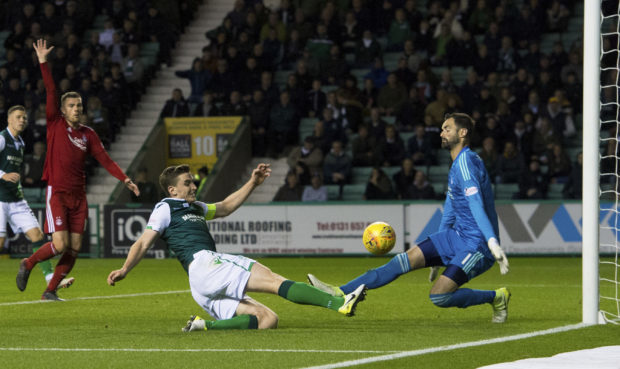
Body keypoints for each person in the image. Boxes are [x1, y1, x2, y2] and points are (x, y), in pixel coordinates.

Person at [107, 164, 366, 331]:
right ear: (173, 189)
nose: (194, 186)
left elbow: (226, 206)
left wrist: (253, 182)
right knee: (274, 280)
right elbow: (143, 241)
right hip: (205, 264)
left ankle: (203, 326)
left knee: (268, 321)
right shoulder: (166, 206)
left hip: (200, 284)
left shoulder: (195, 207)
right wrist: (125, 268)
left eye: (193, 181)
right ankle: (339, 302)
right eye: (188, 183)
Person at [308, 113, 512, 323]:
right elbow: (450, 209)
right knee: (400, 262)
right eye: (442, 128)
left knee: (439, 296)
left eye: (447, 129)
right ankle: (339, 291)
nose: (441, 133)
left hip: (477, 244)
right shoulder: (458, 163)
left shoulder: (466, 163)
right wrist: (438, 254)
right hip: (455, 236)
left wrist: (492, 241)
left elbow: (476, 204)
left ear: (463, 133)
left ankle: (496, 297)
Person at [16, 39, 140, 301]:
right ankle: (28, 264)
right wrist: (43, 62)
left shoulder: (88, 134)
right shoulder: (54, 124)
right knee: (59, 244)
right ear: (62, 110)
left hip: (78, 195)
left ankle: (49, 292)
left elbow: (105, 159)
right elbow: (50, 90)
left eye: (79, 106)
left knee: (74, 248)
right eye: (72, 106)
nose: (77, 109)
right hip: (58, 192)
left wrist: (125, 178)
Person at [1, 106, 73, 289]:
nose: (22, 120)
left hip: (17, 200)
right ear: (9, 120)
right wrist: (3, 175)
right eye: (18, 117)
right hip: (0, 200)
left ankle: (51, 280)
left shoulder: (21, 143)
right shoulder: (2, 139)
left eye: (24, 118)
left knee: (37, 235)